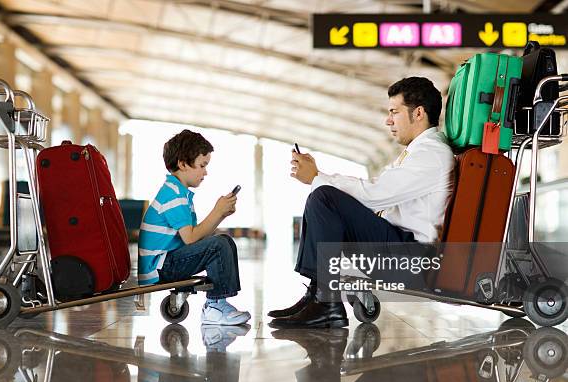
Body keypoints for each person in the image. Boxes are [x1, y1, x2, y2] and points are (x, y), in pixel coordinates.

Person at [269, 77, 455, 328]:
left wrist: (317, 177)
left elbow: (374, 194)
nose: (388, 121)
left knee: (324, 197)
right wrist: (320, 179)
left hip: (413, 259)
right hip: (403, 248)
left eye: (394, 112)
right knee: (324, 196)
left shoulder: (430, 154)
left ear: (419, 113)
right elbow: (378, 191)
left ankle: (326, 302)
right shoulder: (420, 152)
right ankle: (318, 294)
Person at [138, 129, 250, 326]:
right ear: (182, 164)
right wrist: (217, 211)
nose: (205, 172)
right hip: (161, 267)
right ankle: (215, 307)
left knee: (222, 241)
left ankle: (218, 305)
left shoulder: (177, 192)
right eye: (202, 165)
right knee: (218, 244)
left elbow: (193, 237)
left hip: (165, 262)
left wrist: (221, 214)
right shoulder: (173, 195)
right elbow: (191, 239)